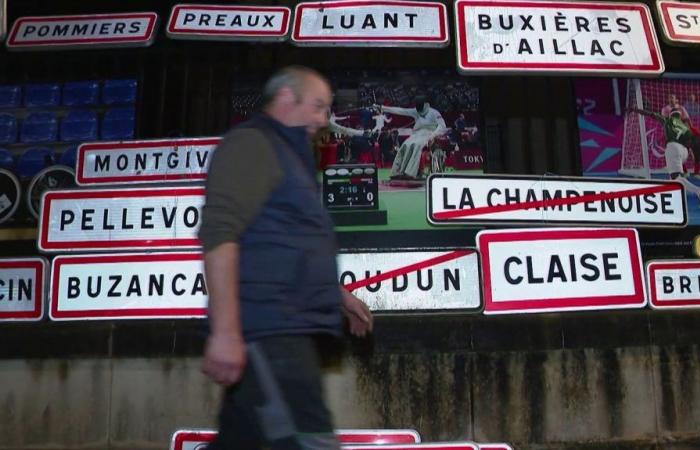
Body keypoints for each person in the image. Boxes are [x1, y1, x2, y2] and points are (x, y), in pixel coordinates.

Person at [199, 66, 374, 450]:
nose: (322, 119)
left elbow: (292, 245)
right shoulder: (251, 145)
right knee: (311, 441)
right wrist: (226, 332)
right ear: (285, 99)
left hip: (284, 330)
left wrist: (339, 298)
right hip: (271, 332)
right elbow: (219, 234)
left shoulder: (291, 158)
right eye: (317, 106)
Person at [628, 106, 700, 198]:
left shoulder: (667, 120)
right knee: (675, 175)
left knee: (676, 177)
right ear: (680, 116)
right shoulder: (685, 127)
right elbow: (693, 143)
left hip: (673, 147)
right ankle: (675, 195)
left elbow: (651, 114)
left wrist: (635, 109)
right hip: (685, 152)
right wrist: (695, 158)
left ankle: (697, 190)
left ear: (670, 115)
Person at [374, 95, 447, 180]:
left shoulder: (434, 112)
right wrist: (382, 108)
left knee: (416, 145)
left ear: (425, 104)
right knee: (405, 144)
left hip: (429, 133)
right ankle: (398, 172)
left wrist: (433, 135)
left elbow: (442, 126)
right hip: (416, 134)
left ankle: (410, 172)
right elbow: (401, 111)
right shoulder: (416, 111)